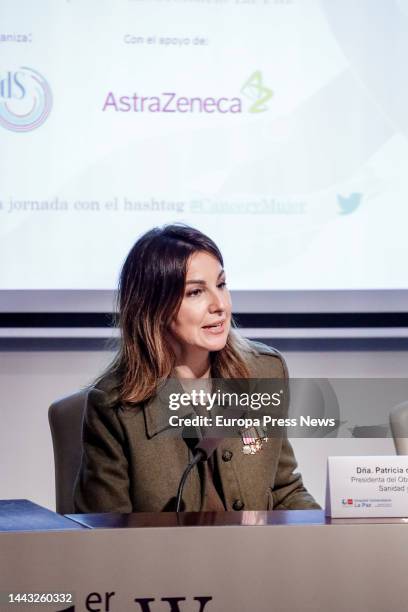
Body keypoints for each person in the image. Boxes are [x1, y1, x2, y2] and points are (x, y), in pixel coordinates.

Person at [73, 224, 320, 513]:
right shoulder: (115, 407)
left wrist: (325, 537)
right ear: (154, 308)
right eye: (195, 292)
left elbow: (283, 490)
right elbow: (105, 534)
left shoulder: (265, 371)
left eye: (221, 284)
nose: (219, 305)